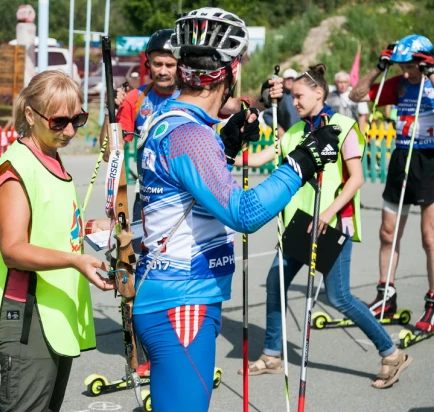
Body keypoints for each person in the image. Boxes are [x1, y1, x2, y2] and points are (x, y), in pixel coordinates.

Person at [132, 8, 342, 411]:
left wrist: (226, 147)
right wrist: (300, 163)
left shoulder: (168, 119)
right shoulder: (190, 133)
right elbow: (242, 213)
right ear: (227, 76)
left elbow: (185, 190)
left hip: (169, 296)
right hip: (182, 303)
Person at [237, 64, 411, 389]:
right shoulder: (294, 133)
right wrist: (230, 148)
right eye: (292, 96)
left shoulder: (343, 126)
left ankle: (391, 353)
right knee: (275, 283)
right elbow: (258, 159)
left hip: (330, 224)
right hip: (298, 225)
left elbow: (356, 179)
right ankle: (273, 354)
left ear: (319, 92)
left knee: (340, 297)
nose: (295, 102)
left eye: (299, 95)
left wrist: (328, 212)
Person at [0, 70, 115, 412]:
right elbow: (14, 249)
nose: (69, 131)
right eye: (58, 121)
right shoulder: (15, 168)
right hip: (28, 314)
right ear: (30, 115)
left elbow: (48, 223)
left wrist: (84, 230)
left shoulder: (49, 153)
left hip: (54, 311)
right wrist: (75, 260)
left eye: (78, 119)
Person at [349, 34, 434, 333]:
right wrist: (378, 67)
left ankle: (433, 301)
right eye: (401, 67)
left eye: (410, 67)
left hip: (429, 160)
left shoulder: (431, 82)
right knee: (388, 232)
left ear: (424, 63)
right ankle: (386, 295)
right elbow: (356, 96)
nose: (406, 73)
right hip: (402, 157)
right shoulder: (398, 84)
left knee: (429, 237)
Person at [106, 29, 180, 223]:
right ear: (149, 64)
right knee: (142, 253)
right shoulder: (136, 98)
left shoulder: (194, 97)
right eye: (157, 64)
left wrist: (262, 99)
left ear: (180, 66)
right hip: (148, 198)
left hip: (185, 197)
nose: (163, 71)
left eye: (170, 65)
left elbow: (232, 104)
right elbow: (109, 153)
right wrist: (110, 112)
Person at [262, 68, 301, 136]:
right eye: (287, 79)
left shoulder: (300, 95)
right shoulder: (278, 96)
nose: (289, 81)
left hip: (301, 135)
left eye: (292, 79)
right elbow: (267, 115)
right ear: (283, 80)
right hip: (286, 137)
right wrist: (278, 129)